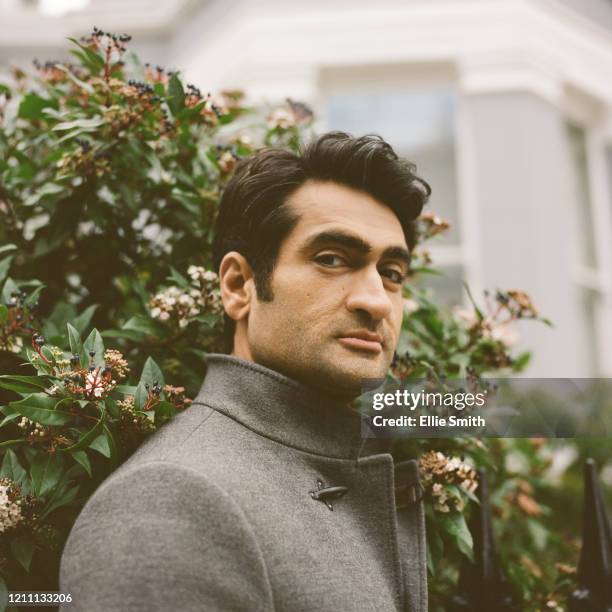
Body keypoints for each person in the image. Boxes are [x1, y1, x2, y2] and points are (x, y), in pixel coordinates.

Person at [59, 131, 431, 611]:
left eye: (392, 274)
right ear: (239, 285)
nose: (376, 300)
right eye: (332, 259)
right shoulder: (169, 500)